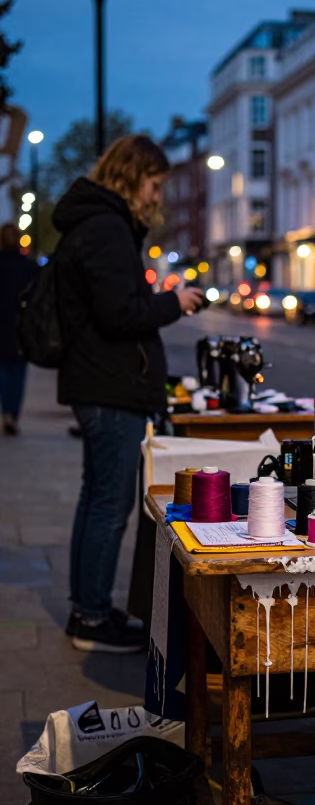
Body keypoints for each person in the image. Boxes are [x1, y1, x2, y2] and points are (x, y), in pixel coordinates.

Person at [53, 134, 204, 653]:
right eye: (156, 184)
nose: (159, 196)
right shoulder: (106, 228)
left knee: (96, 499)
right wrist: (174, 301)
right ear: (132, 175)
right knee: (108, 505)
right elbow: (120, 313)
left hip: (100, 383)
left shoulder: (99, 224)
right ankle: (91, 619)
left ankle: (88, 608)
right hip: (109, 387)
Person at [0, 223, 38, 434]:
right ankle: (12, 413)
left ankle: (6, 411)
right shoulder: (28, 267)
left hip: (1, 325)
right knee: (18, 373)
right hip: (22, 326)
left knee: (4, 371)